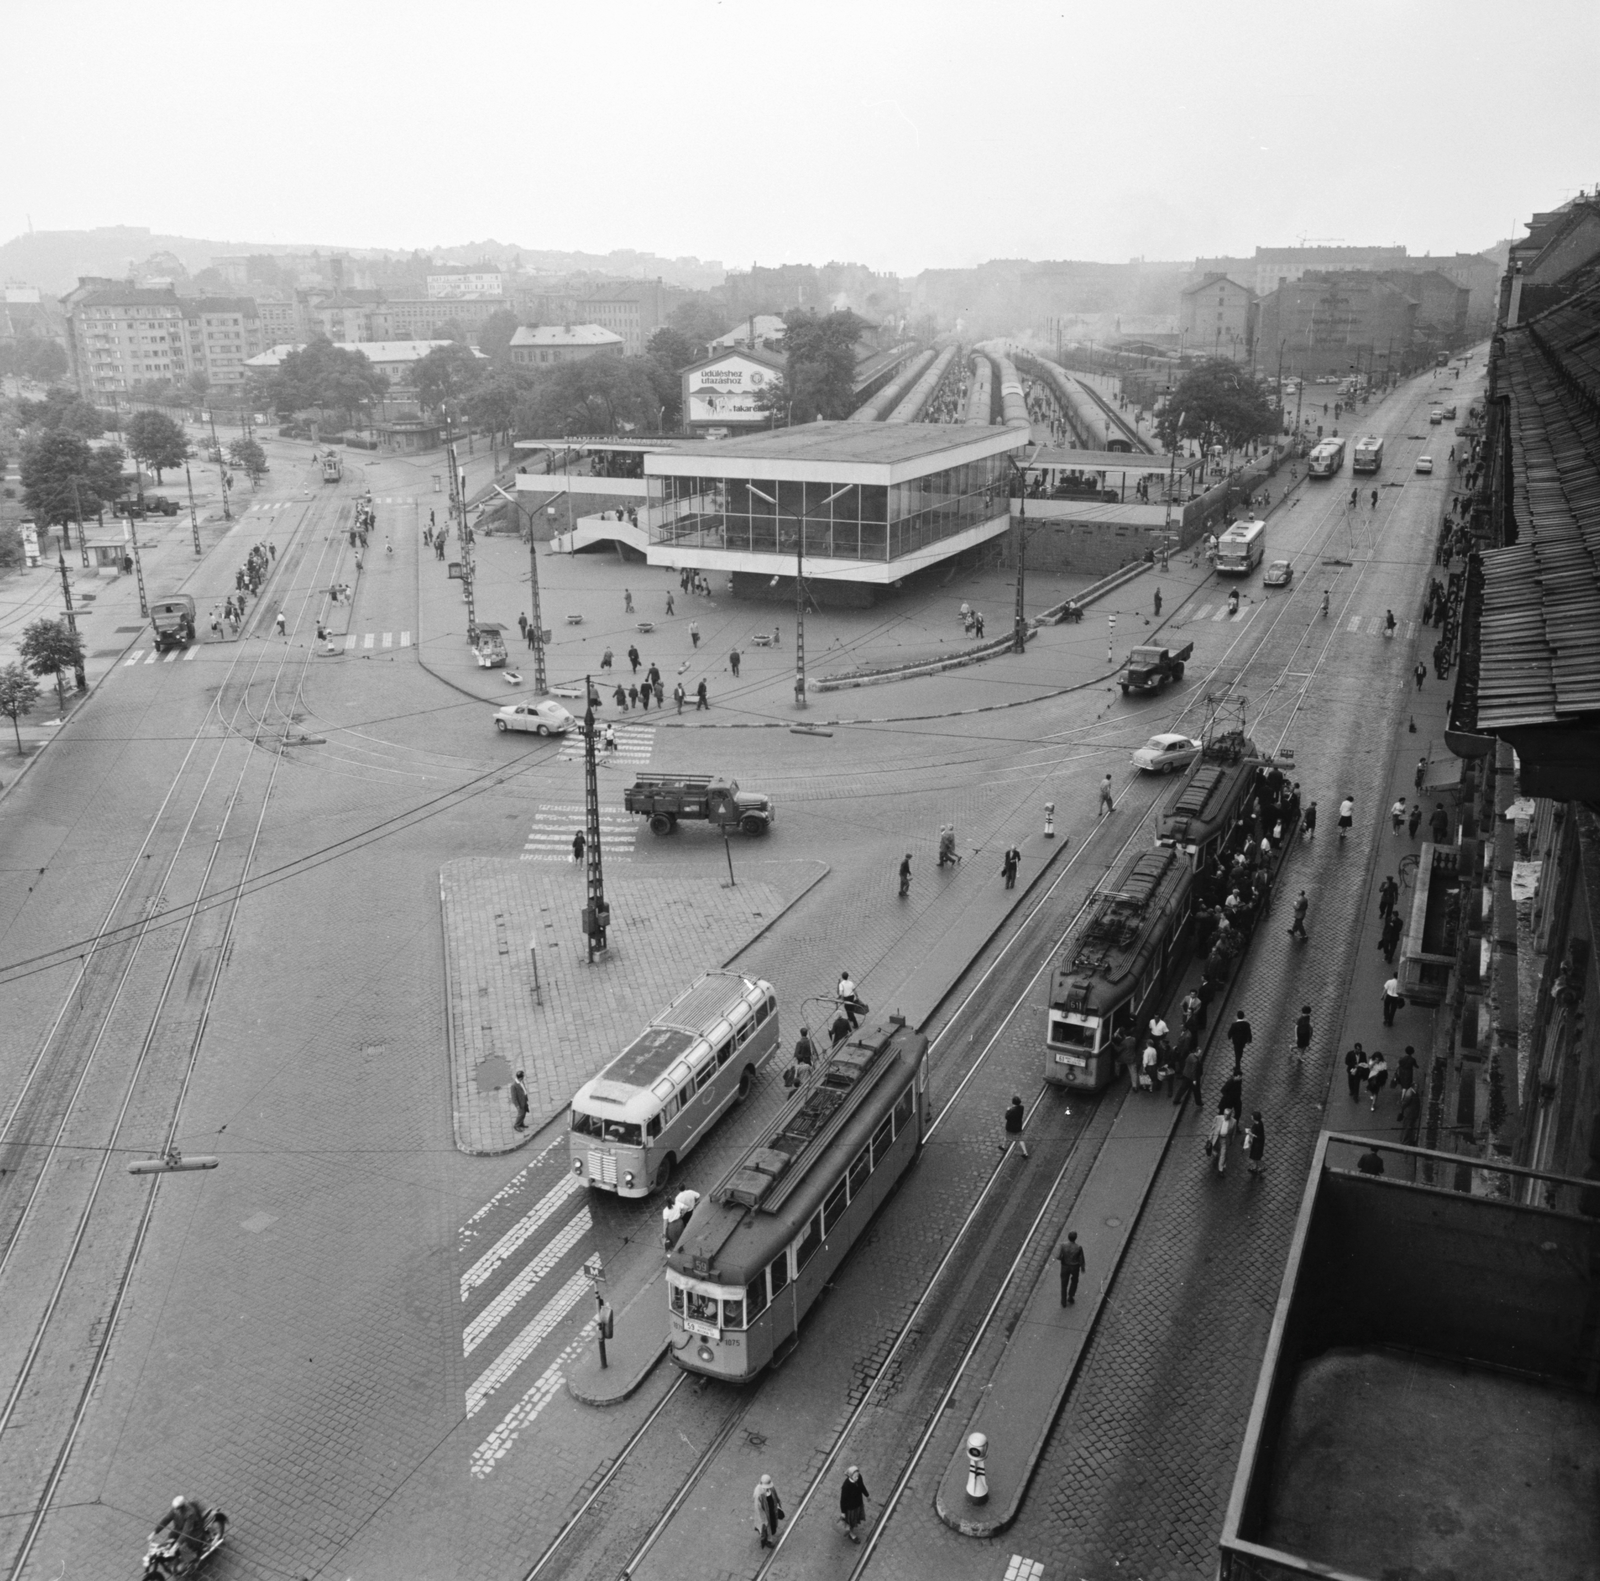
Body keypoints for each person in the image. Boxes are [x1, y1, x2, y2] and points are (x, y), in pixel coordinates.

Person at [153, 1498, 207, 1566]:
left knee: (182, 1548)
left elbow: (186, 1532)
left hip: (194, 1533)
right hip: (180, 1529)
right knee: (171, 1536)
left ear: (181, 1508)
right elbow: (166, 1519)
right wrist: (155, 1532)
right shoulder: (176, 1510)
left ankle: (194, 1560)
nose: (174, 1511)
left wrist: (176, 1546)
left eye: (176, 1509)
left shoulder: (190, 1514)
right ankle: (174, 1554)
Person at [839, 1467, 870, 1543]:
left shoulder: (859, 1478)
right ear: (850, 1476)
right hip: (850, 1508)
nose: (857, 1478)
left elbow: (862, 1486)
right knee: (851, 1522)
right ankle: (851, 1534)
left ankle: (850, 1531)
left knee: (854, 1520)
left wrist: (867, 1495)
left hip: (858, 1504)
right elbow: (843, 1500)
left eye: (858, 1476)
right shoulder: (846, 1486)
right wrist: (843, 1512)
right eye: (855, 1476)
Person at [754, 1474, 784, 1550]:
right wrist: (764, 1520)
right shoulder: (759, 1494)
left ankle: (769, 1535)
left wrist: (778, 1506)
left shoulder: (771, 1488)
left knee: (773, 1525)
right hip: (765, 1514)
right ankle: (768, 1541)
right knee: (767, 1528)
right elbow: (759, 1509)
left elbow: (775, 1497)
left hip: (772, 1510)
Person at [1056, 1231, 1086, 1305]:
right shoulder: (1078, 1247)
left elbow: (1058, 1257)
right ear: (1075, 1238)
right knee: (1074, 1281)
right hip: (1075, 1267)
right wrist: (1082, 1267)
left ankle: (1063, 1301)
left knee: (1064, 1284)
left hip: (1065, 1266)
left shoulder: (1063, 1245)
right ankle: (1070, 1296)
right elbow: (1081, 1259)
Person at [1227, 1010, 1253, 1074]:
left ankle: (1237, 1066)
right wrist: (1249, 1039)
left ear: (1237, 1016)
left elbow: (1230, 1033)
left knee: (1237, 1053)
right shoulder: (1246, 1024)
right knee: (1240, 1052)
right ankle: (1237, 1065)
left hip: (1236, 1042)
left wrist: (1229, 1036)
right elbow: (1249, 1033)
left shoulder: (1234, 1025)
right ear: (1243, 1016)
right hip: (1243, 1042)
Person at [1245, 1111, 1266, 1178]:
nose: (1251, 1117)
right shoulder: (1258, 1123)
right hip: (1256, 1143)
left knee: (1257, 1156)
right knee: (1254, 1155)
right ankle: (1255, 1167)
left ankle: (1261, 1167)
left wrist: (1252, 1134)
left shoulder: (1258, 1125)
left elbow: (1259, 1136)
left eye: (1252, 1116)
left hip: (1258, 1143)